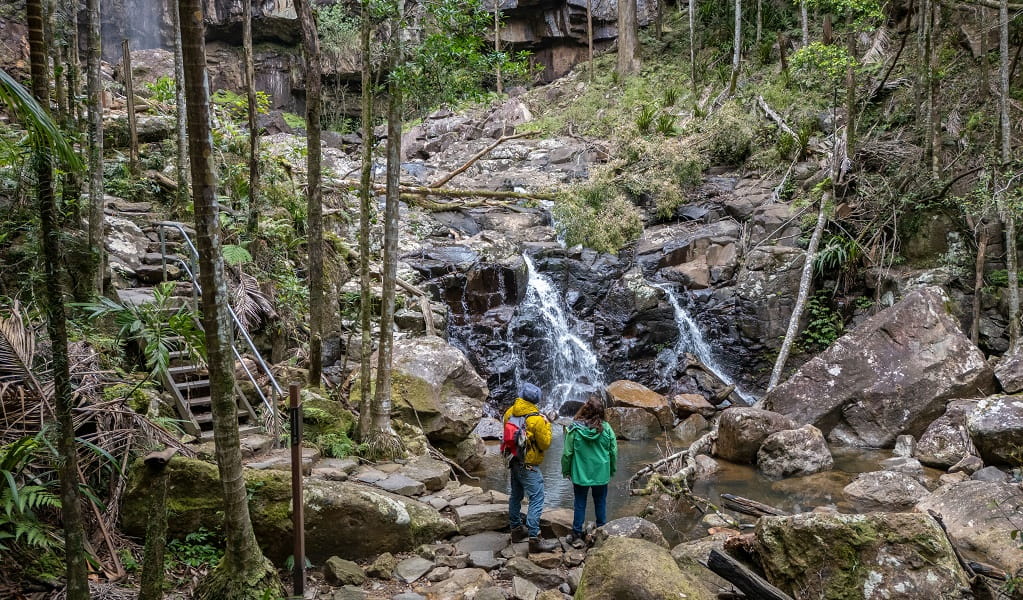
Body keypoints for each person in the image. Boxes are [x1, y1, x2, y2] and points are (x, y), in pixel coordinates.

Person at [503, 382, 559, 553]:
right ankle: (534, 539)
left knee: (516, 495)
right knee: (537, 497)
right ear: (536, 400)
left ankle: (516, 530)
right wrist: (547, 423)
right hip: (529, 464)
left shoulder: (510, 411)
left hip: (513, 460)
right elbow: (545, 444)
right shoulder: (536, 419)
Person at [561, 393, 617, 547]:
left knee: (579, 503)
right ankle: (602, 531)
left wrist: (566, 471)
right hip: (601, 473)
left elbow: (567, 454)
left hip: (580, 474)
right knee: (600, 502)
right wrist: (611, 469)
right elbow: (613, 452)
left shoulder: (574, 429)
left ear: (584, 410)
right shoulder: (607, 429)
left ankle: (577, 533)